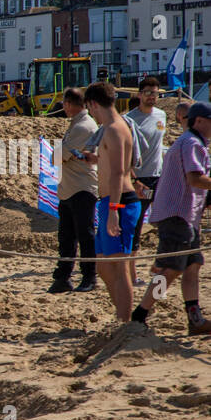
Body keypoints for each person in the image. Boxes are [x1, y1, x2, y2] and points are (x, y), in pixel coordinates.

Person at [131, 102, 211, 335]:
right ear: (199, 121)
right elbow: (195, 179)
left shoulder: (194, 143)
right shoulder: (192, 143)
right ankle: (140, 314)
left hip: (186, 216)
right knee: (170, 270)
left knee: (193, 265)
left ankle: (194, 319)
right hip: (177, 214)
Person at [85, 81, 141, 322]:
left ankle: (124, 322)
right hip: (108, 200)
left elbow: (120, 172)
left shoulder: (115, 128)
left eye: (90, 108)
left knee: (119, 267)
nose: (91, 114)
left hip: (119, 202)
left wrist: (113, 210)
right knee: (103, 266)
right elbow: (113, 164)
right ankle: (122, 315)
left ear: (94, 104)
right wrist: (97, 159)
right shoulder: (111, 128)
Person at [50, 88, 99, 293]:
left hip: (81, 187)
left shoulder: (83, 126)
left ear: (69, 104)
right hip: (70, 187)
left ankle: (89, 275)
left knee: (84, 234)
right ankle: (64, 275)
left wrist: (59, 152)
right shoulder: (77, 124)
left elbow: (57, 156)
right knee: (67, 236)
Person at [125, 76, 167, 234]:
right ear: (139, 94)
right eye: (148, 92)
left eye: (155, 93)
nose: (152, 96)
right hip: (141, 179)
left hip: (159, 176)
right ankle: (131, 258)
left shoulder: (161, 115)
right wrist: (134, 179)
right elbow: (125, 153)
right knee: (136, 222)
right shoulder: (130, 119)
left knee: (164, 218)